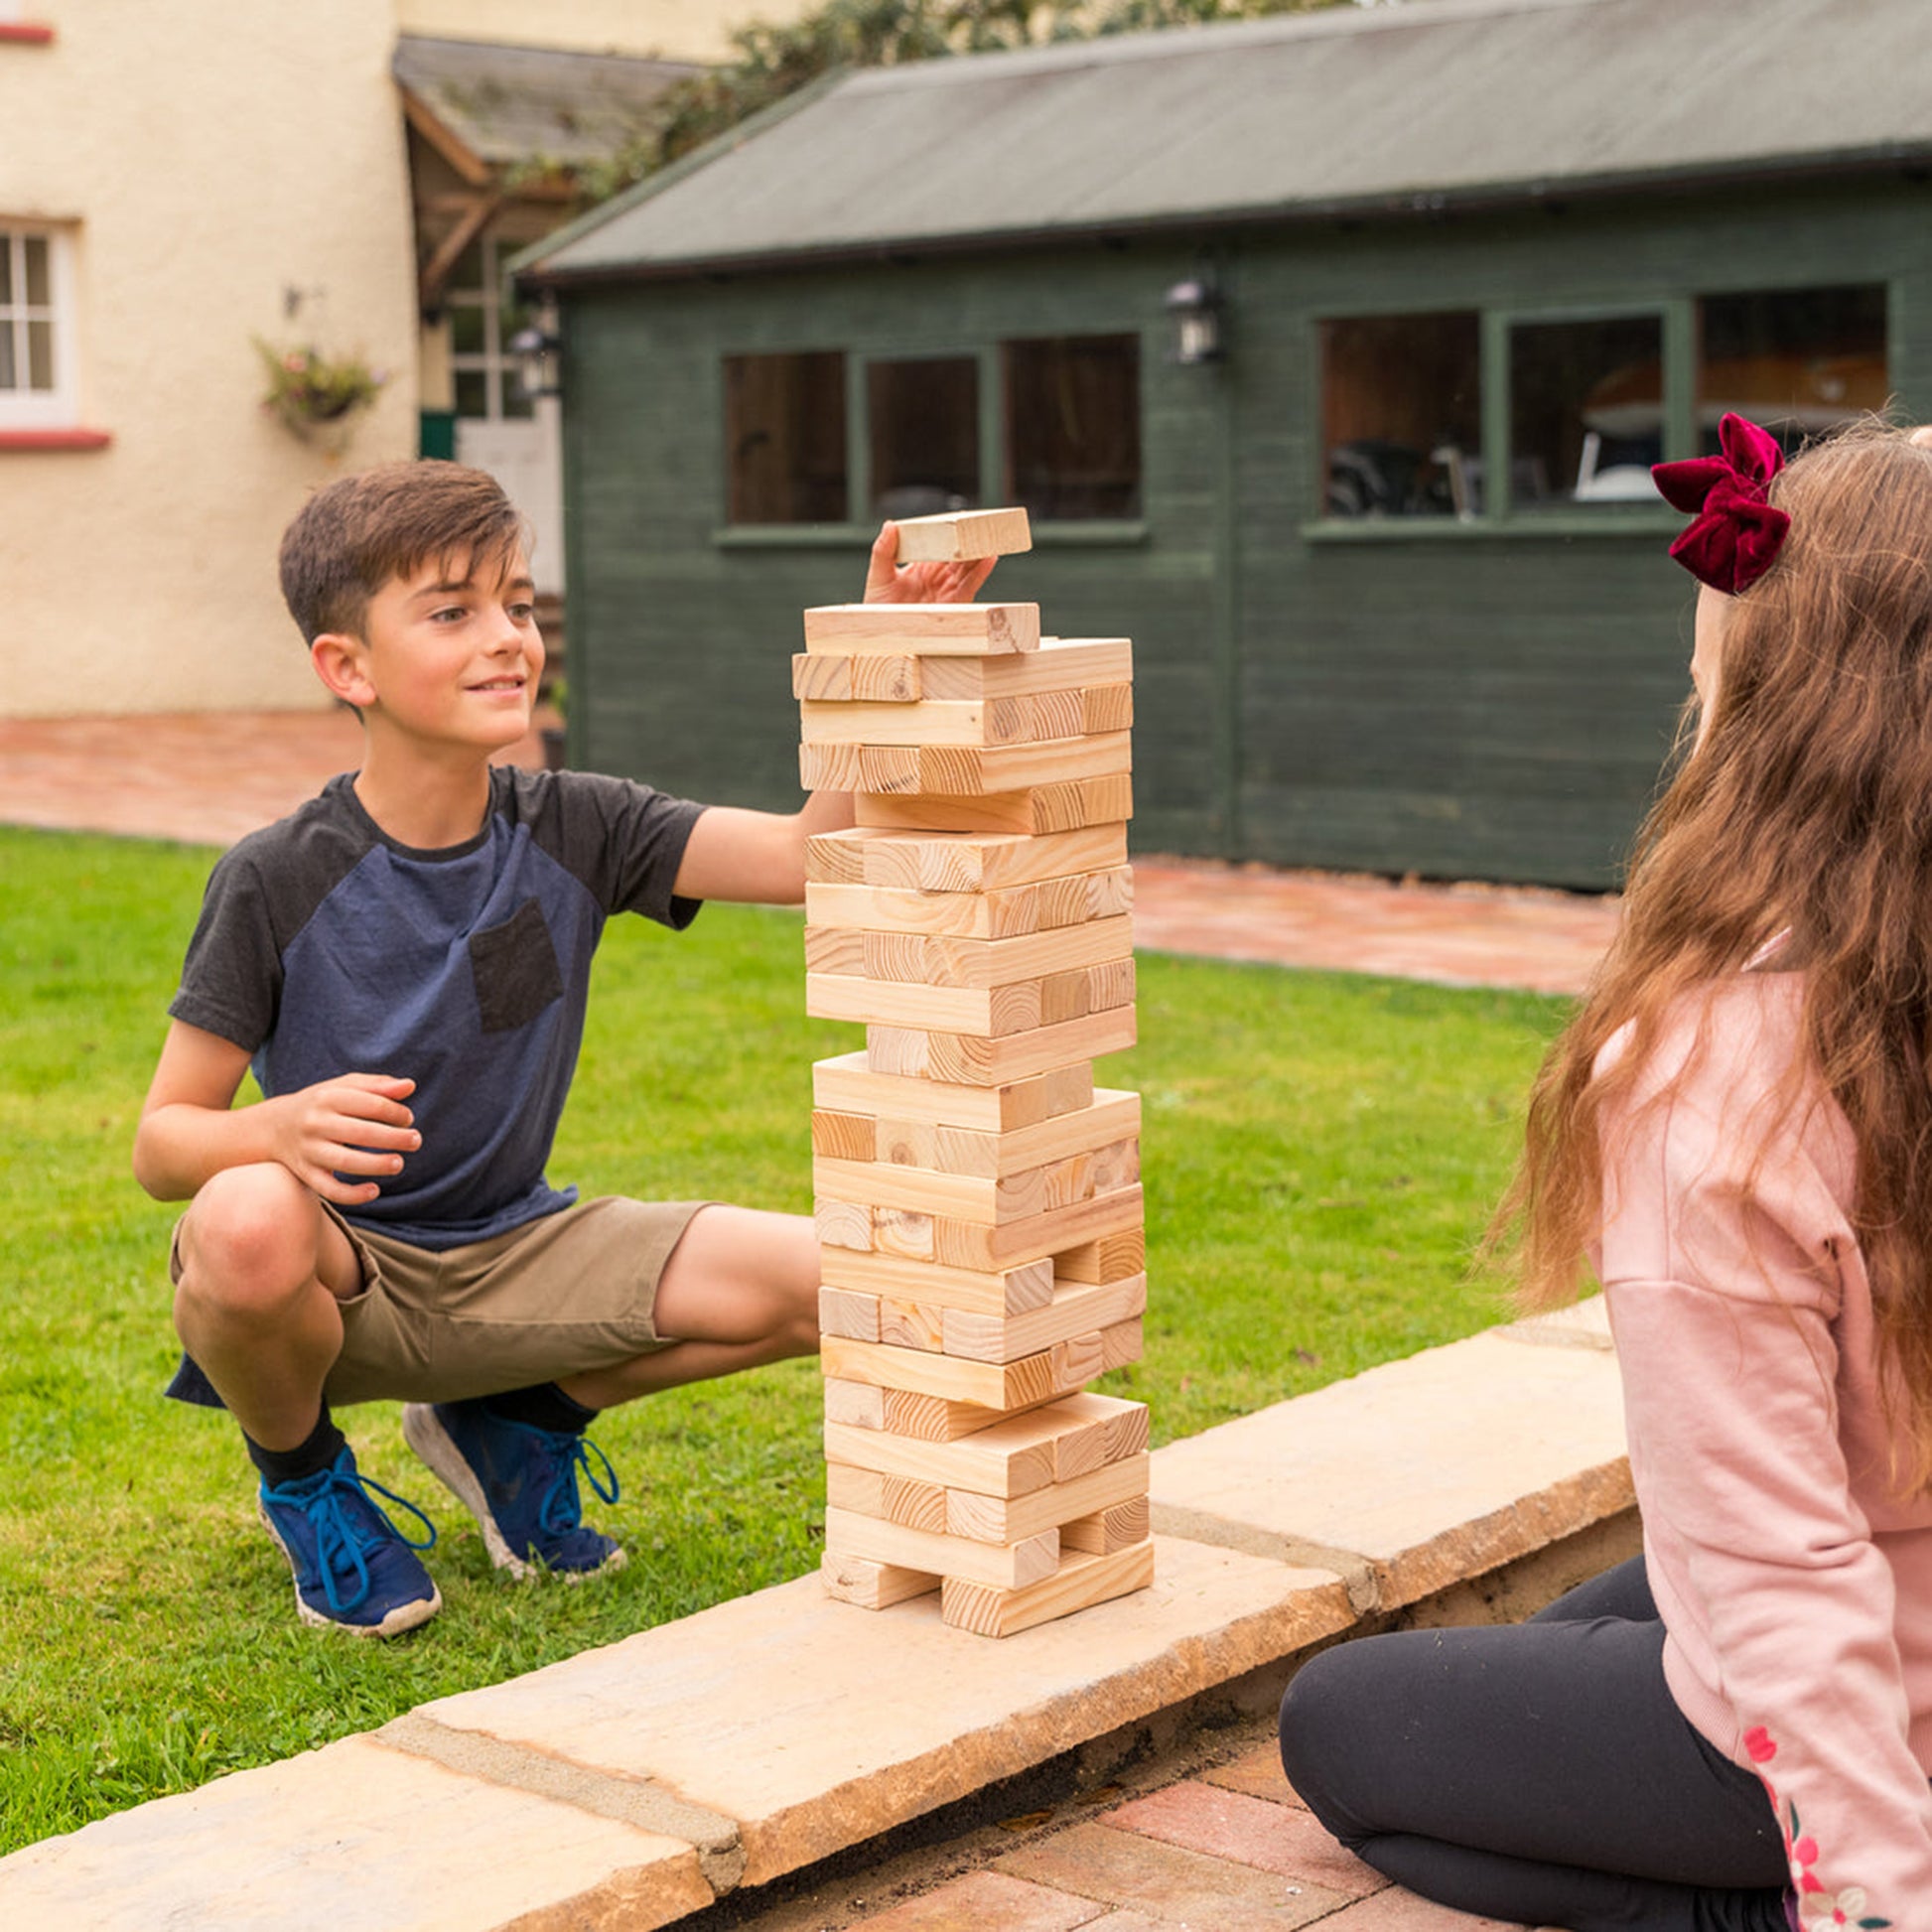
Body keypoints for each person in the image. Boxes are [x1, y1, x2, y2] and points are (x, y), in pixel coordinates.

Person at [132, 460, 993, 1638]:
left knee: (855, 1278)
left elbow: (804, 860)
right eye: (452, 611)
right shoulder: (275, 875)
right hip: (339, 1274)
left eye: (519, 605)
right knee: (237, 1216)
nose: (505, 639)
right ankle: (306, 1479)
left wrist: (873, 654)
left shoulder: (579, 824)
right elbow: (163, 1138)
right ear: (348, 668)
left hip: (521, 1245)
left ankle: (511, 1422)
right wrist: (270, 1129)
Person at [1279, 418, 1932, 1930]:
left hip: (1863, 1712)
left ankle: (1781, 1898)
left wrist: (1879, 1898)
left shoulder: (1721, 1081)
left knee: (1342, 1723)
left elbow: (1781, 1576)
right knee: (1616, 1602)